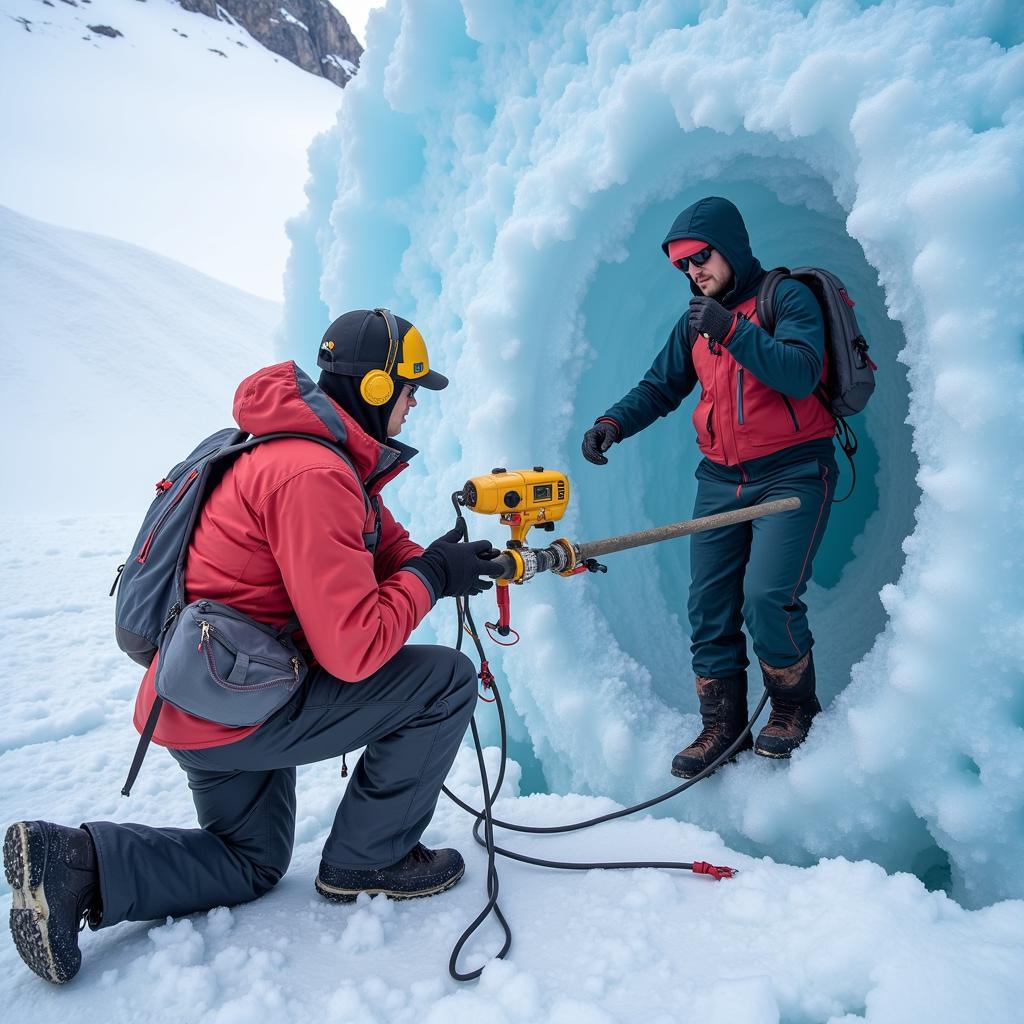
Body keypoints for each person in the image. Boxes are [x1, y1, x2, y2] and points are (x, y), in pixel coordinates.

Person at [5, 308, 503, 985]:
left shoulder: (301, 452)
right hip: (241, 704)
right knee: (445, 679)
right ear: (379, 388)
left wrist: (439, 564)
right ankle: (368, 858)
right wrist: (429, 579)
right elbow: (354, 650)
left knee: (252, 861)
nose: (416, 405)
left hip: (203, 698)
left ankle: (76, 864)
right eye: (412, 388)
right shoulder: (315, 477)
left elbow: (386, 546)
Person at [581, 197, 838, 779]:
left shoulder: (785, 297)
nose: (693, 271)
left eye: (700, 257)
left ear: (730, 246)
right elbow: (659, 386)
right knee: (709, 606)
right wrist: (612, 424)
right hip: (722, 480)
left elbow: (800, 373)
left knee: (769, 596)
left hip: (794, 471)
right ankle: (722, 726)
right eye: (682, 265)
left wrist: (732, 330)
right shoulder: (695, 320)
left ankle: (794, 709)